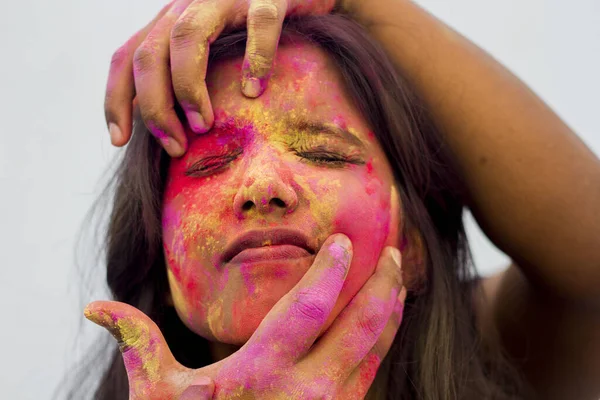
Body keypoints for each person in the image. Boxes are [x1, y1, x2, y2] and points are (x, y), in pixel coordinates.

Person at [61, 1, 600, 399]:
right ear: (160, 259)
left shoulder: (503, 360)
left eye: (324, 153)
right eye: (211, 163)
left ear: (412, 245)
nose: (263, 186)